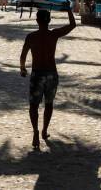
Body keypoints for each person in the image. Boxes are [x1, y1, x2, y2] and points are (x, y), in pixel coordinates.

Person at [20, 8, 76, 149]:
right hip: (51, 74)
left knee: (34, 105)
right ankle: (44, 130)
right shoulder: (54, 34)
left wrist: (22, 68)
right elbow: (72, 25)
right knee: (49, 104)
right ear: (49, 20)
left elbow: (23, 55)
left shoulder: (31, 37)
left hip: (37, 74)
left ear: (37, 20)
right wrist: (69, 10)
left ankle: (35, 132)